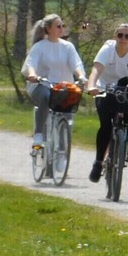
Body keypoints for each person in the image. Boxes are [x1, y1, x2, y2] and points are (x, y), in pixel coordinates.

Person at [86, 23, 128, 183]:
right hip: (105, 88)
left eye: (127, 36)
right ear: (115, 36)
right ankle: (98, 162)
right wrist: (91, 86)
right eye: (120, 35)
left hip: (126, 89)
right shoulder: (107, 49)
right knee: (106, 125)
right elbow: (96, 70)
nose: (123, 39)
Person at [21, 14, 88, 156]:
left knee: (69, 107)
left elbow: (75, 63)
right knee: (45, 96)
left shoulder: (67, 47)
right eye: (58, 26)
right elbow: (30, 63)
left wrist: (81, 76)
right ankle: (39, 136)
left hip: (63, 86)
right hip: (42, 84)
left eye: (62, 25)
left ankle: (63, 150)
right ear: (48, 28)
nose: (61, 28)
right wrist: (32, 75)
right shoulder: (39, 47)